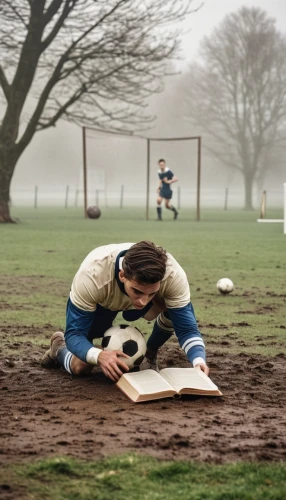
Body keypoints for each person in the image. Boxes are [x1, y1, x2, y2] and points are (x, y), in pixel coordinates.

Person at [41, 241, 209, 382]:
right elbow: (75, 334)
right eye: (138, 291)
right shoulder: (92, 276)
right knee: (81, 367)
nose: (143, 301)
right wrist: (100, 356)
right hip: (103, 303)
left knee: (173, 308)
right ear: (122, 275)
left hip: (141, 298)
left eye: (151, 292)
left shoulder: (173, 276)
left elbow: (186, 328)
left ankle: (149, 353)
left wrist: (198, 360)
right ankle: (58, 349)